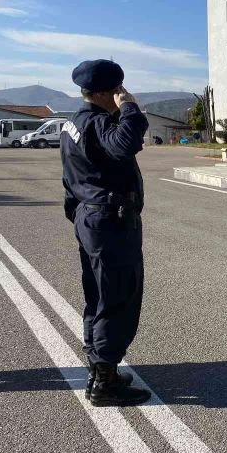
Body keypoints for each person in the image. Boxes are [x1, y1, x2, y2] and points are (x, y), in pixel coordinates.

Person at [60, 59, 151, 407]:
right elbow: (126, 143)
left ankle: (99, 366)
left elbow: (70, 176)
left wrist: (79, 213)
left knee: (98, 294)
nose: (121, 94)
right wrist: (129, 108)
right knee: (117, 296)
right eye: (117, 90)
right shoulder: (98, 122)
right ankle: (105, 381)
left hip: (91, 217)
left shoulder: (74, 123)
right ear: (102, 93)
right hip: (109, 220)